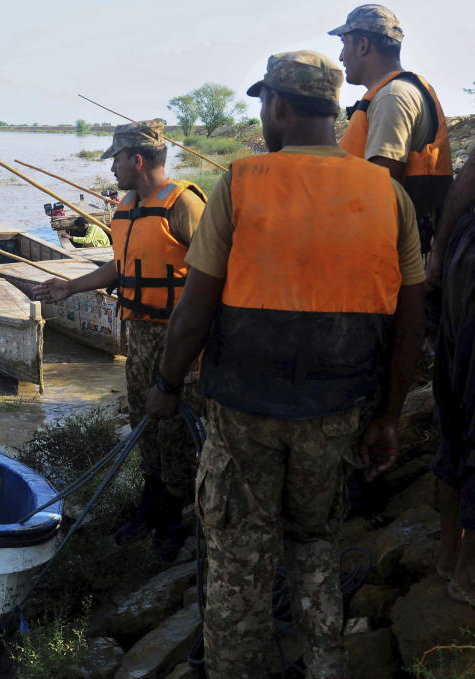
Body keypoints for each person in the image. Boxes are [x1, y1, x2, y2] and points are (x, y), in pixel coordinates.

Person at [146, 51, 425, 677]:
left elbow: (193, 313)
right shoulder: (387, 193)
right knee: (314, 546)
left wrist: (165, 386)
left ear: (278, 105)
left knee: (239, 557)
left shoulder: (242, 182)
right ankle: (326, 665)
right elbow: (410, 321)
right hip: (338, 409)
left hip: (244, 412)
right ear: (332, 109)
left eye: (263, 105)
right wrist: (388, 416)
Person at [32, 120, 207, 551]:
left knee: (177, 431)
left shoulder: (184, 205)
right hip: (138, 335)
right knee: (143, 423)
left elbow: (216, 270)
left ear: (138, 159)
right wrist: (71, 286)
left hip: (179, 336)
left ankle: (177, 518)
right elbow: (122, 267)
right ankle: (150, 507)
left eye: (117, 160)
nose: (113, 170)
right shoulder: (125, 209)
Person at [331, 3, 453, 254]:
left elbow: (381, 187)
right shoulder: (393, 93)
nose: (341, 56)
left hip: (395, 259)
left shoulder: (392, 97)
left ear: (363, 45)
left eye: (344, 43)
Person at [431, 147, 475, 605]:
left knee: (455, 412)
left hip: (463, 251)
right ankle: (469, 573)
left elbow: (471, 171)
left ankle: (449, 553)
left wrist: (440, 250)